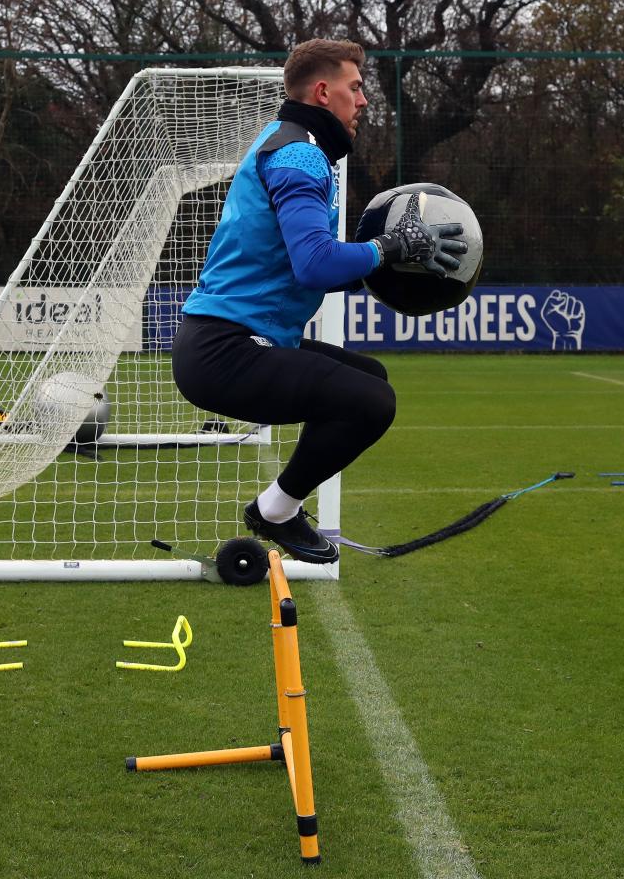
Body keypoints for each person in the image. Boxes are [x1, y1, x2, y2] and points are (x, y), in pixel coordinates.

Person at [172, 38, 467, 563]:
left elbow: (310, 269)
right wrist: (390, 247)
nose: (364, 101)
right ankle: (276, 510)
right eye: (356, 88)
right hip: (224, 351)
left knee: (371, 379)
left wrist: (387, 264)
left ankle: (278, 506)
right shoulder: (300, 155)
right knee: (371, 403)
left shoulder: (290, 142)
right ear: (324, 91)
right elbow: (315, 263)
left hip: (227, 343)